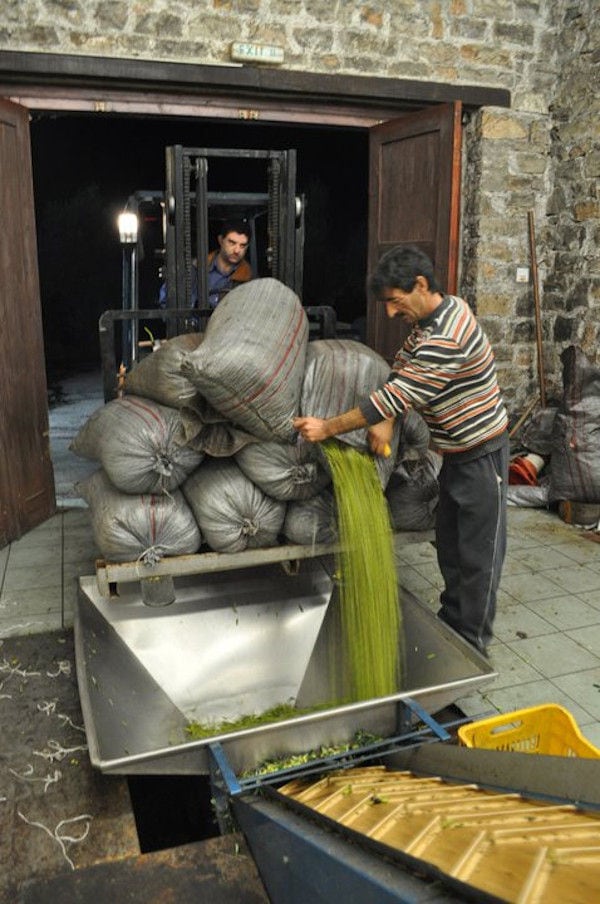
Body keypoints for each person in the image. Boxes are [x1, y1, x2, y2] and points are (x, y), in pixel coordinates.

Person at [293, 245, 509, 656]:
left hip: (483, 458)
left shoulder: (447, 336)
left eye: (395, 301)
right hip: (456, 455)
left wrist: (327, 427)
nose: (390, 313)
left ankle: (471, 650)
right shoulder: (431, 320)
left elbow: (393, 395)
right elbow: (402, 369)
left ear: (421, 285)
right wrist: (388, 420)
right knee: (450, 545)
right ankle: (452, 628)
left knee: (479, 559)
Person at [158, 218, 253, 309]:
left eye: (242, 246)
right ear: (220, 240)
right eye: (232, 243)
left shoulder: (250, 280)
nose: (237, 250)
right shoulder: (194, 269)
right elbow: (166, 301)